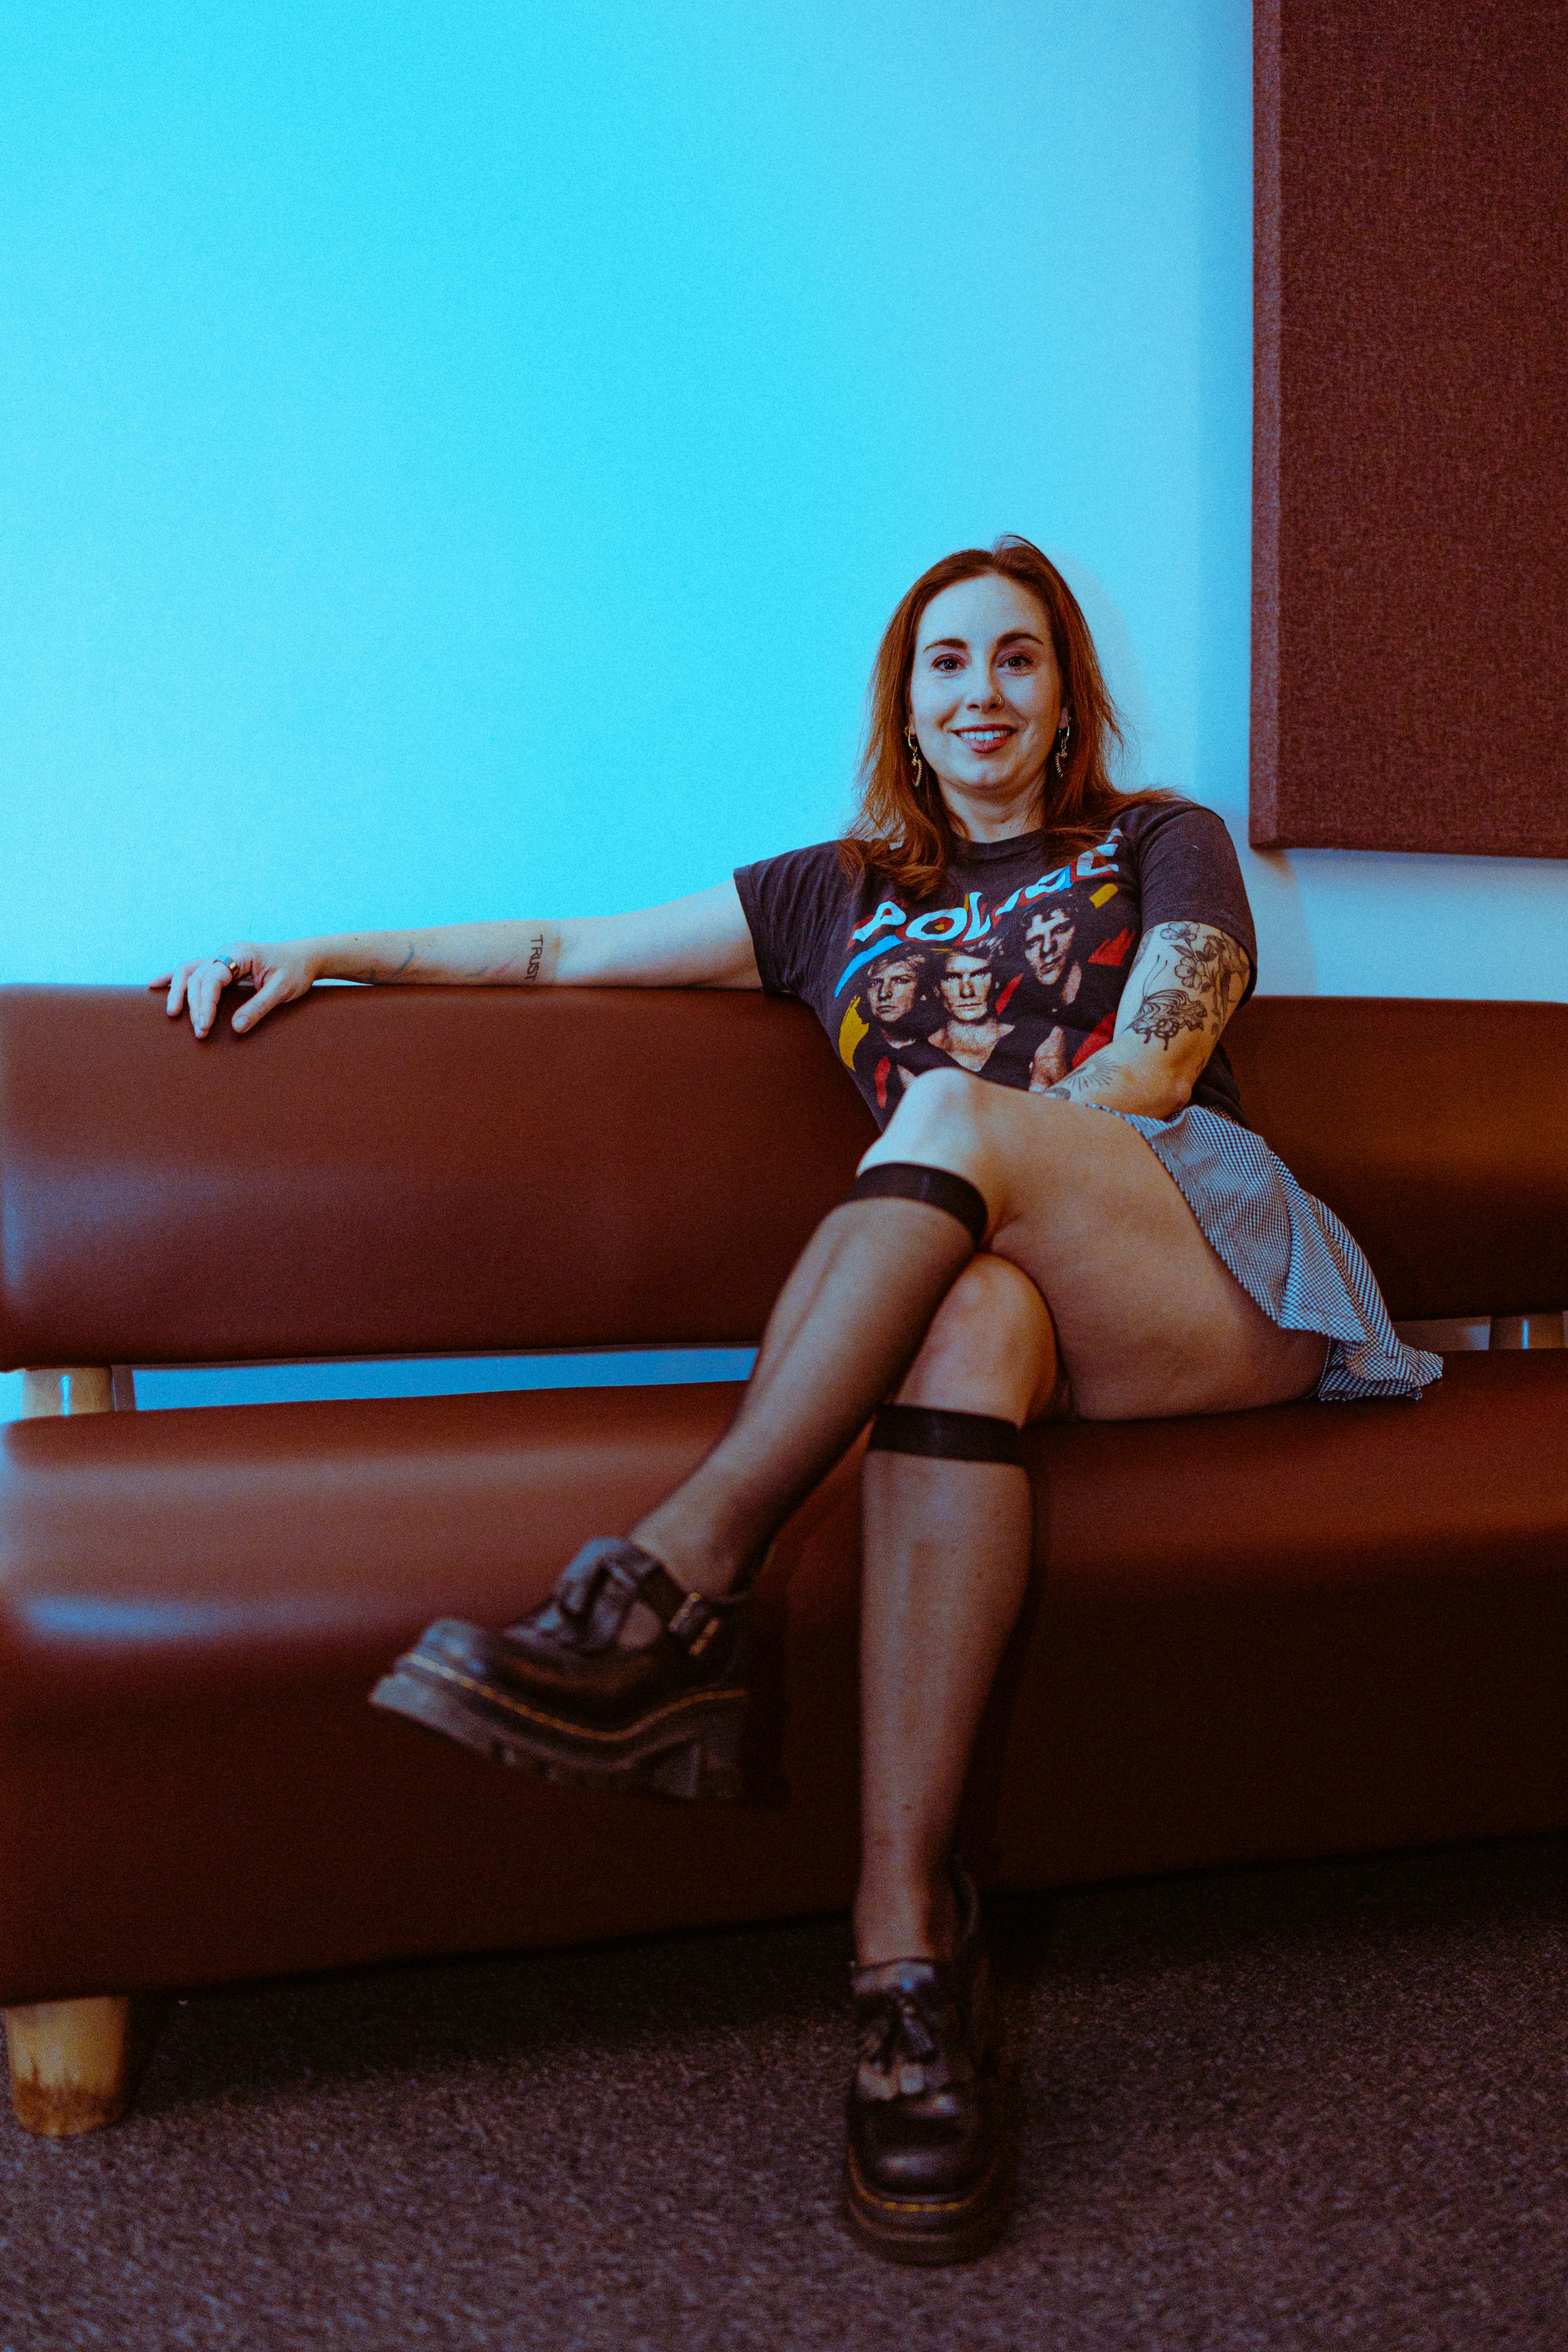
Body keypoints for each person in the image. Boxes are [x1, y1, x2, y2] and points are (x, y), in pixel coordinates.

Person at [156, 536, 1440, 2267]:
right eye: (946, 663)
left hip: (1200, 1262)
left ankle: (684, 1574)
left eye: (1018, 659)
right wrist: (323, 949)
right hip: (1004, 1294)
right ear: (904, 708)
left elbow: (1153, 1062)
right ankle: (907, 1964)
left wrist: (983, 1133)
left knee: (953, 1119)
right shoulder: (825, 896)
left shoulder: (1159, 840)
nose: (981, 691)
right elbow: (555, 948)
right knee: (963, 1319)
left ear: (1065, 701)